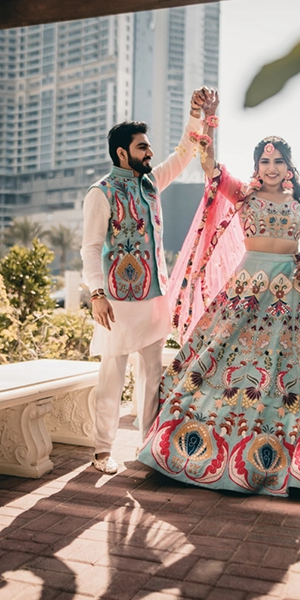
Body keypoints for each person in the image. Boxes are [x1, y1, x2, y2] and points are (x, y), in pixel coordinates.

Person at [136, 90, 300, 495]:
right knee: (231, 364)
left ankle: (294, 458)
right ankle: (210, 450)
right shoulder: (245, 193)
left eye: (278, 161)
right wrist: (209, 118)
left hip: (292, 295)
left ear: (289, 166)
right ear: (256, 165)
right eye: (264, 161)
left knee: (296, 374)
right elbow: (208, 164)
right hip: (248, 289)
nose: (271, 168)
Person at [80, 88, 213, 474]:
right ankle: (102, 452)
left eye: (149, 147)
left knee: (153, 377)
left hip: (155, 299)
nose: (149, 153)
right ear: (122, 153)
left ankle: (147, 448)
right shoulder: (100, 193)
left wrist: (195, 114)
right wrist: (97, 294)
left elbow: (186, 153)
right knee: (112, 376)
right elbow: (90, 248)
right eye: (142, 147)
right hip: (117, 303)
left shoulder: (151, 183)